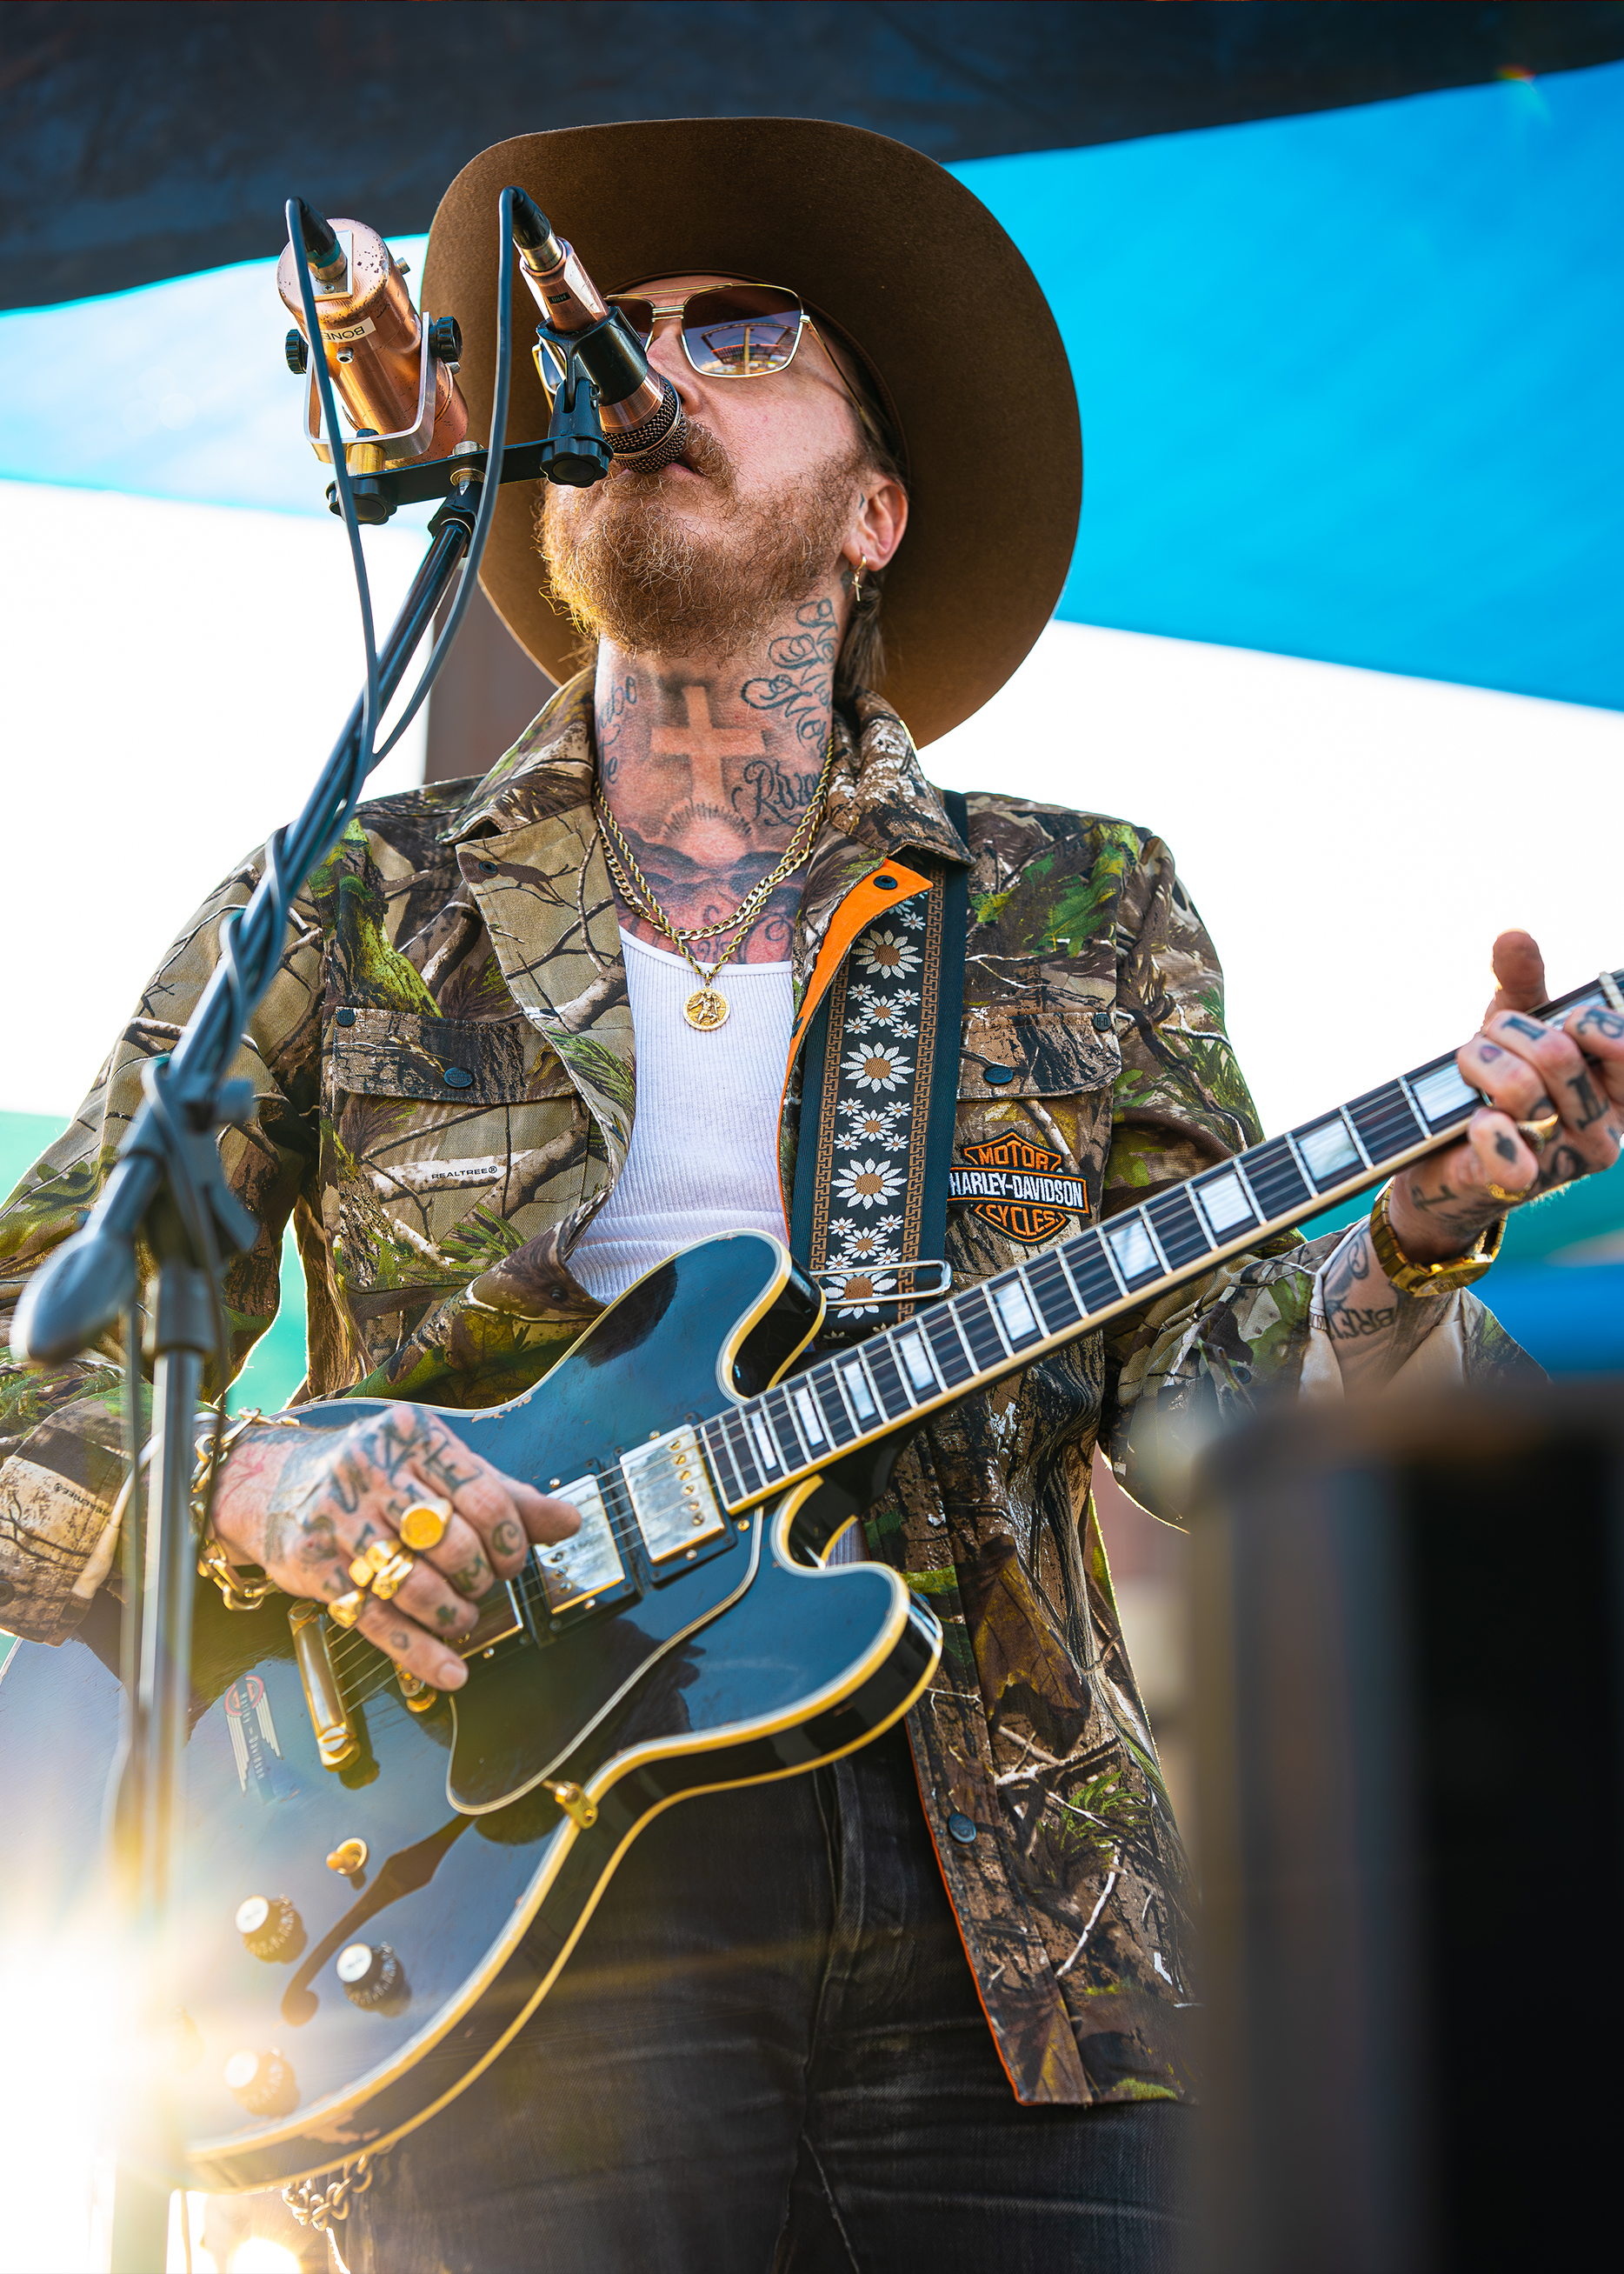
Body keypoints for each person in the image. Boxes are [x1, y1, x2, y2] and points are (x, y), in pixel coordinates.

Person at [3, 118, 1621, 2274]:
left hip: (1014, 1925)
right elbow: (34, 1365)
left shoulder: (1083, 905)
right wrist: (268, 1481)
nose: (648, 358)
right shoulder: (344, 904)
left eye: (737, 327)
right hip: (469, 1906)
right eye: (623, 327)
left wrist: (1402, 1241)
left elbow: (1207, 1420)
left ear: (871, 508)